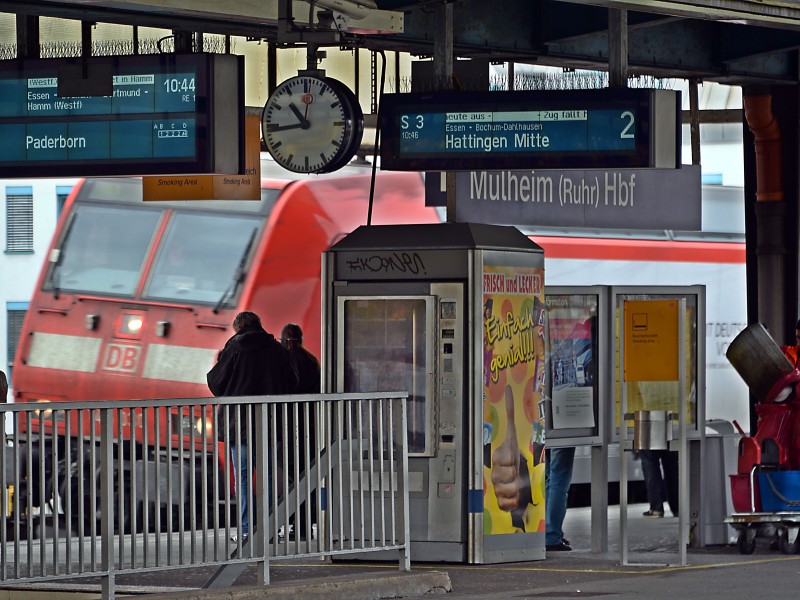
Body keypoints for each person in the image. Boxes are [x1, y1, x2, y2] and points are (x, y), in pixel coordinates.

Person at [207, 311, 299, 541]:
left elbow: (216, 382)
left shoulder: (234, 349)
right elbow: (293, 381)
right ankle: (268, 529)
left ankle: (247, 529)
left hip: (240, 426)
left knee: (244, 477)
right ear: (259, 325)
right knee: (268, 477)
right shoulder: (277, 349)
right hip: (269, 423)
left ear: (238, 328)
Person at [545, 446, 575, 551]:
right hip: (562, 430)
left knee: (549, 479)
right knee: (559, 479)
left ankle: (546, 533)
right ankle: (551, 536)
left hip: (544, 432)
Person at [281, 323, 321, 394]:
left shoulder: (281, 360)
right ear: (301, 340)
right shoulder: (312, 360)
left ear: (285, 340)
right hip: (310, 403)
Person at [639, 449, 679, 518]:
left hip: (649, 439)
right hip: (669, 439)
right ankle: (677, 508)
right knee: (671, 466)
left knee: (650, 463)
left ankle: (656, 508)